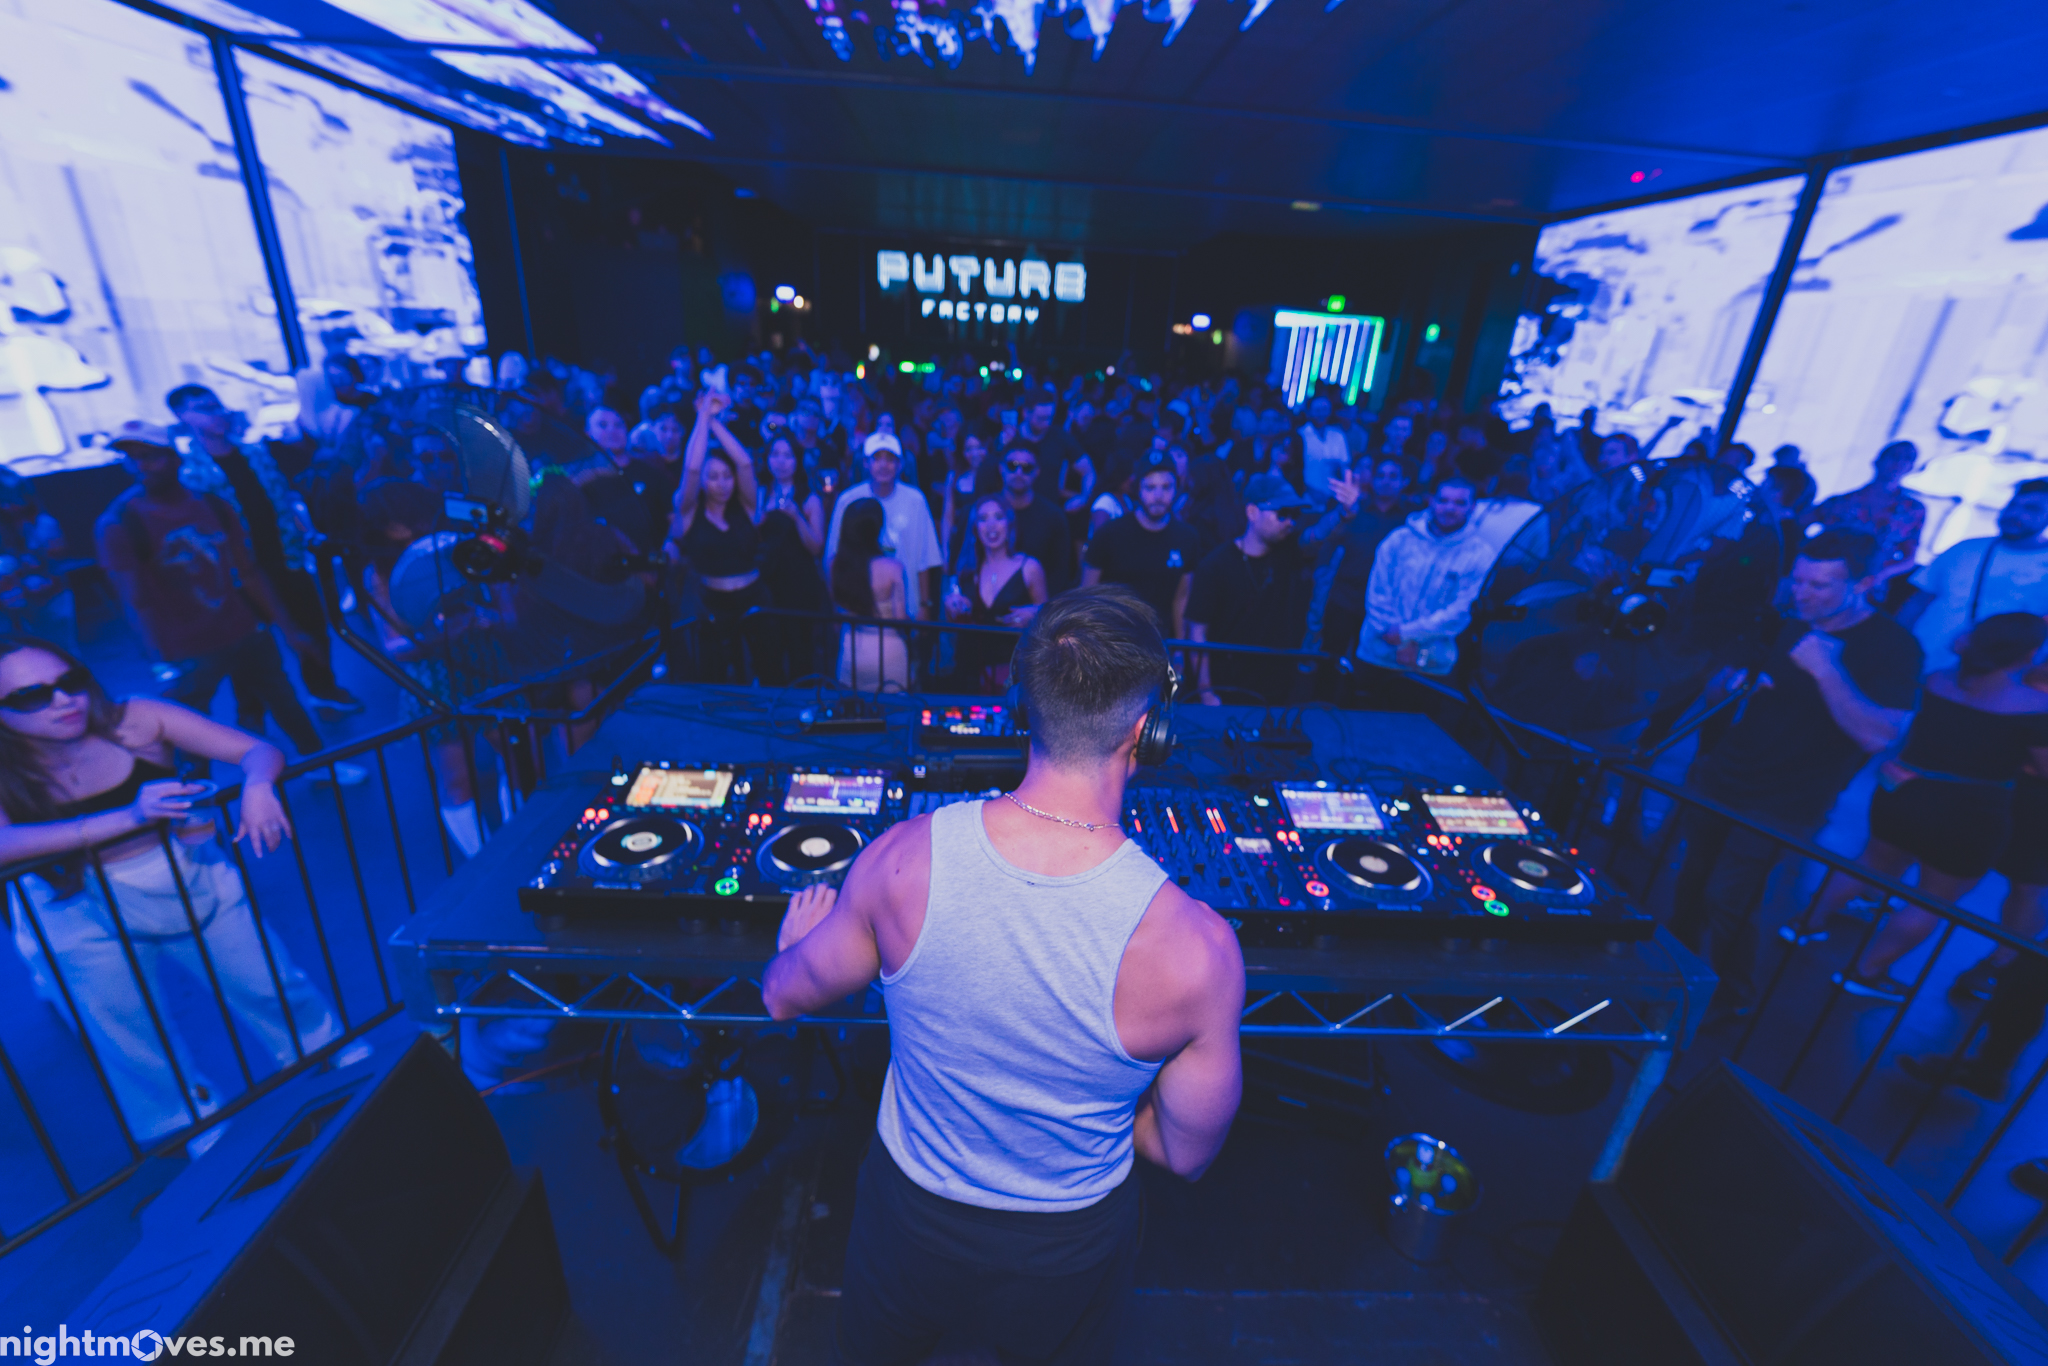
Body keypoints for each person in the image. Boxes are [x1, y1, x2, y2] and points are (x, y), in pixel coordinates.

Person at [761, 587, 1243, 1365]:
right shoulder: (1200, 950)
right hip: (1067, 1247)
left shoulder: (901, 860)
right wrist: (1077, 1108)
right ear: (1146, 733)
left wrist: (797, 942)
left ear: (1024, 707)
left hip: (911, 1219)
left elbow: (782, 996)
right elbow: (1184, 1152)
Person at [0, 639, 344, 1142]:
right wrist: (129, 817)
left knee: (268, 983)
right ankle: (191, 1126)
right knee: (126, 1032)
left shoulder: (136, 719)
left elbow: (257, 749)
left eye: (69, 681)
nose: (63, 701)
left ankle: (332, 1056)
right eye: (32, 696)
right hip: (73, 902)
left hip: (182, 875)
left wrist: (258, 786)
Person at [1671, 530, 1923, 1015]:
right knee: (1691, 884)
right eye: (1799, 581)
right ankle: (1673, 973)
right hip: (1725, 774)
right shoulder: (1784, 623)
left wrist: (1827, 670)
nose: (1803, 594)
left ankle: (1731, 996)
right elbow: (1719, 685)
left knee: (1728, 898)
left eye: (1819, 585)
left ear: (1863, 584)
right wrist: (1732, 684)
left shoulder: (1894, 646)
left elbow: (1877, 735)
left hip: (1789, 798)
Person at [1778, 614, 2048, 1002]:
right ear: (2028, 654)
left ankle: (1804, 924)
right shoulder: (2034, 707)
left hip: (1901, 792)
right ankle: (1865, 972)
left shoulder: (1939, 680)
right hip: (1968, 813)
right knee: (1933, 899)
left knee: (1870, 863)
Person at [94, 424, 344, 773]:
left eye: (148, 456)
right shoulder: (121, 522)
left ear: (174, 457)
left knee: (284, 698)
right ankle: (198, 799)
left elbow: (249, 571)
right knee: (190, 731)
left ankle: (319, 765)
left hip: (242, 627)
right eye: (130, 458)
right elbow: (134, 599)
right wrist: (161, 664)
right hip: (186, 647)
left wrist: (288, 629)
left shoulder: (212, 505)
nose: (140, 466)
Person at [166, 385, 361, 712]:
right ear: (183, 416)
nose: (217, 413)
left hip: (284, 555)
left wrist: (307, 532)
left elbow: (284, 498)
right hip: (236, 571)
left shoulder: (255, 453)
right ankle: (253, 714)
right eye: (204, 408)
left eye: (217, 405)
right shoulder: (190, 472)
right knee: (250, 645)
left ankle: (323, 690)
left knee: (312, 625)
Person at [1186, 473, 1315, 706]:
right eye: (1282, 513)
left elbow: (1318, 536)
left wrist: (1343, 514)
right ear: (1252, 512)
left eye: (1294, 515)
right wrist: (1206, 691)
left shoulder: (1287, 554)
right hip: (1228, 686)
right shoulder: (1215, 566)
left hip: (1276, 688)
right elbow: (1197, 633)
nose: (1290, 522)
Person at [1899, 479, 2048, 675]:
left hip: (1987, 683)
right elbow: (1918, 602)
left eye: (2032, 509)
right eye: (2013, 504)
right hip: (1912, 666)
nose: (2015, 514)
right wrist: (1891, 645)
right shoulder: (1965, 549)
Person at [667, 390, 764, 684]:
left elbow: (744, 463)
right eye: (713, 477)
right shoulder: (688, 511)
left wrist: (715, 422)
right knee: (715, 679)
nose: (722, 484)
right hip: (712, 605)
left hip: (755, 600)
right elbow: (691, 468)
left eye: (726, 476)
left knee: (763, 673)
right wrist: (702, 417)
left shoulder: (746, 506)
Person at [1357, 475, 1496, 676]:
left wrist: (1407, 635)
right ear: (1431, 501)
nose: (1449, 508)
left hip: (1431, 663)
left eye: (1459, 503)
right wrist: (1398, 639)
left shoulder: (1480, 554)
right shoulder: (1399, 539)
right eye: (1443, 500)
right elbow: (1377, 591)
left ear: (1472, 507)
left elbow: (1462, 610)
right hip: (1377, 652)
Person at [1082, 451, 1203, 643]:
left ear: (1177, 488)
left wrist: (1180, 648)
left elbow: (1181, 597)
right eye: (1150, 487)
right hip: (1112, 641)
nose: (1158, 495)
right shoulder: (1109, 534)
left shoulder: (1187, 537)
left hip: (1159, 643)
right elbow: (1087, 593)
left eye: (1166, 487)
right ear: (1137, 488)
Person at [827, 434, 946, 619]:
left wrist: (924, 604)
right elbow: (833, 557)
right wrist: (835, 607)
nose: (884, 465)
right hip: (855, 608)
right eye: (877, 458)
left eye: (890, 459)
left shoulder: (915, 500)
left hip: (907, 607)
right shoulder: (848, 500)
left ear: (900, 464)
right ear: (865, 463)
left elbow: (924, 558)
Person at [1309, 457, 1412, 662]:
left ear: (1404, 482)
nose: (1386, 481)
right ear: (1372, 480)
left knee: (1368, 662)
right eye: (1380, 475)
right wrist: (1321, 568)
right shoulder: (1354, 509)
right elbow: (1329, 540)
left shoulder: (1411, 519)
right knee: (1330, 657)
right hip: (1345, 597)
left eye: (1393, 476)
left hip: (1385, 605)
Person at [943, 496, 1048, 692]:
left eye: (998, 517)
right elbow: (953, 625)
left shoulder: (1029, 567)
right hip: (970, 673)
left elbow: (1048, 616)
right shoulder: (966, 569)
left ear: (1009, 524)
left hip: (1013, 674)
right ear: (975, 528)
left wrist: (1035, 613)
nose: (991, 525)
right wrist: (951, 604)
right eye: (983, 519)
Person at [1811, 441, 1925, 583]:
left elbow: (1909, 557)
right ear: (1877, 461)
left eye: (1907, 458)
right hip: (1824, 577)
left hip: (1870, 584)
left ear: (1911, 467)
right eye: (1894, 456)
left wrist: (1883, 573)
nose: (1899, 462)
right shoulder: (1841, 502)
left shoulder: (1913, 510)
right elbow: (1799, 523)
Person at [831, 497, 911, 691]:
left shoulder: (835, 565)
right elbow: (900, 619)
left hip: (851, 650)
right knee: (893, 708)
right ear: (878, 528)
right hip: (888, 652)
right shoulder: (893, 568)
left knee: (851, 708)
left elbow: (837, 614)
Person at [978, 446, 1077, 594]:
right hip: (985, 599)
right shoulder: (981, 511)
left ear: (1037, 472)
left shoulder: (1054, 517)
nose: (1019, 473)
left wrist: (1042, 605)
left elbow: (1061, 573)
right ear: (1001, 468)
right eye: (1012, 466)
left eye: (1027, 468)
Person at [759, 432, 827, 557]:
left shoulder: (810, 500)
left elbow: (817, 548)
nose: (781, 461)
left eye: (788, 455)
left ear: (797, 460)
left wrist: (797, 516)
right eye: (775, 454)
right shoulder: (761, 493)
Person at [1298, 392, 1351, 507]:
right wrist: (1310, 490)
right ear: (1308, 412)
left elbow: (1345, 467)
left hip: (1333, 499)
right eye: (1317, 410)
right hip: (1304, 498)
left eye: (1325, 410)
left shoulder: (1338, 436)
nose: (1321, 414)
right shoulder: (1300, 435)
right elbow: (1294, 470)